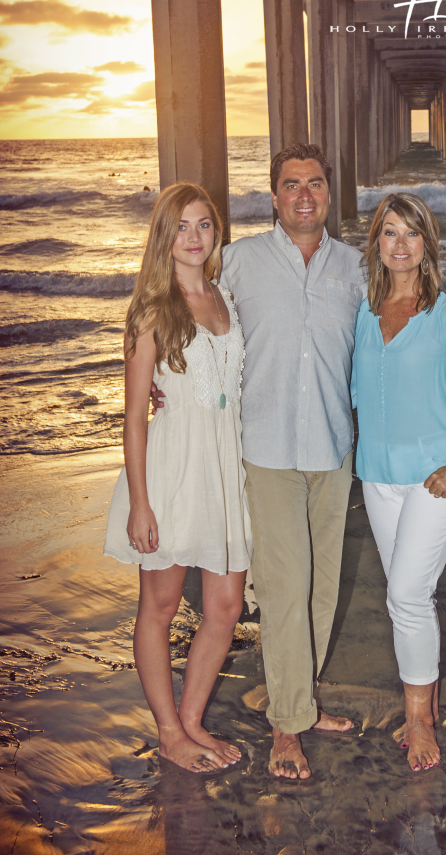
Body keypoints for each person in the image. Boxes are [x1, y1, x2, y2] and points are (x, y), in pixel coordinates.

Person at [219, 143, 366, 780]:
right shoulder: (239, 262)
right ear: (273, 196)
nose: (304, 195)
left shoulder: (357, 267)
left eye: (315, 184)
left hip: (333, 448)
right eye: (291, 185)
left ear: (329, 193)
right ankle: (286, 726)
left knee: (324, 586)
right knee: (284, 589)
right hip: (268, 449)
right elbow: (189, 319)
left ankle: (300, 699)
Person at [353, 193, 446, 772]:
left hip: (437, 481)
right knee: (410, 601)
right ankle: (428, 703)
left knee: (406, 596)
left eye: (410, 234)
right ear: (378, 245)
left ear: (427, 245)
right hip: (378, 478)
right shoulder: (365, 314)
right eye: (389, 232)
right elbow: (353, 392)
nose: (399, 244)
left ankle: (418, 721)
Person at [104, 182, 252, 773]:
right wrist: (141, 502)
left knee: (225, 606)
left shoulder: (225, 298)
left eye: (204, 225)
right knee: (160, 607)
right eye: (182, 226)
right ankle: (169, 732)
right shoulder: (151, 311)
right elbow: (135, 416)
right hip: (172, 469)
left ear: (216, 232)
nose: (194, 237)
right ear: (164, 237)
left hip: (225, 466)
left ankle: (192, 721)